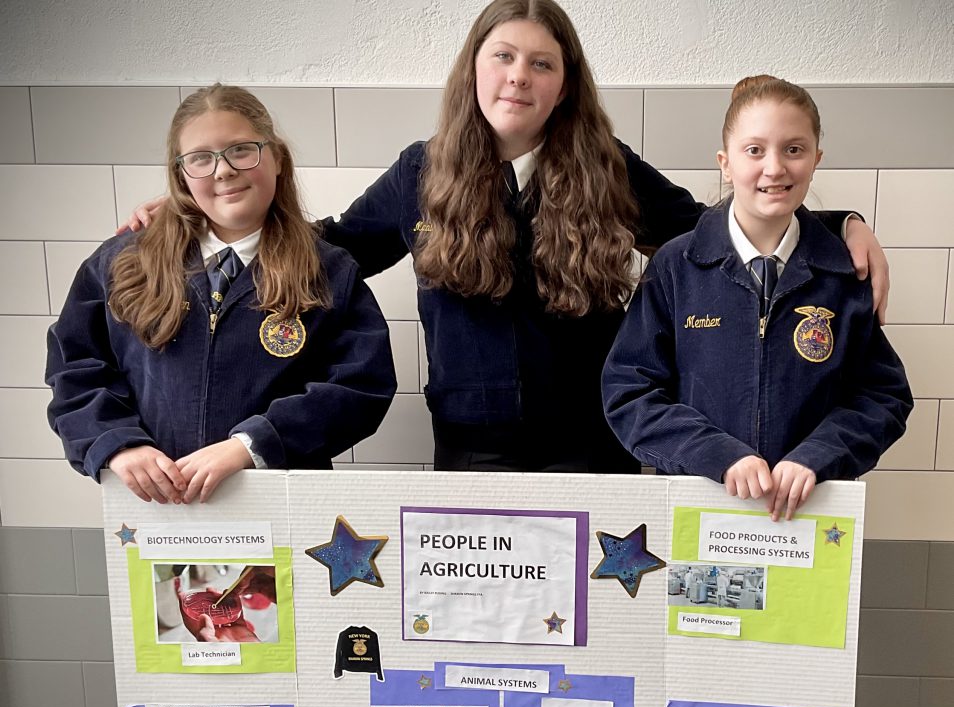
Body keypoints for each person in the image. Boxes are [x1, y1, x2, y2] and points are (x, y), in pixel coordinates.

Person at [120, 3, 888, 475]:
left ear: (564, 82)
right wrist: (204, 213)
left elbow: (718, 226)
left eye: (541, 63)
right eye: (504, 56)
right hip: (468, 449)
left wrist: (833, 225)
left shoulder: (609, 169)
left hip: (595, 445)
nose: (519, 76)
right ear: (475, 70)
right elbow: (330, 247)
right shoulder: (421, 172)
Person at [47, 84, 395, 505]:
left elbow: (361, 386)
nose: (223, 170)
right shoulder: (124, 264)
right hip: (158, 514)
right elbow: (76, 367)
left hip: (281, 511)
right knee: (176, 578)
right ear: (181, 175)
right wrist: (116, 441)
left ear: (277, 158)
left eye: (241, 150)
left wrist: (251, 445)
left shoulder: (328, 270)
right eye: (200, 158)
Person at [603, 75, 912, 521]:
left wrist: (819, 455)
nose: (774, 168)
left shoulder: (843, 272)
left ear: (816, 159)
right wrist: (716, 454)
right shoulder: (675, 267)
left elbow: (884, 396)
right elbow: (629, 392)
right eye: (754, 150)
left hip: (808, 519)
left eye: (793, 149)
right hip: (700, 512)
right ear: (725, 164)